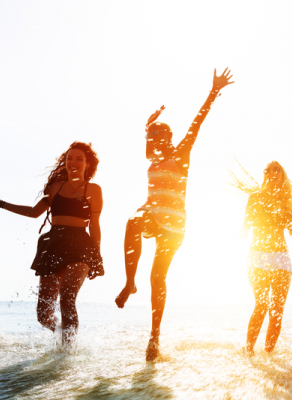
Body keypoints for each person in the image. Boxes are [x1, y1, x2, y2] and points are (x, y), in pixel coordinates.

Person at [115, 68, 234, 361]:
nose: (157, 142)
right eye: (153, 139)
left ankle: (154, 337)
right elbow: (148, 146)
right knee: (132, 221)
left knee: (158, 277)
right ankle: (130, 282)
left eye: (161, 137)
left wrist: (213, 92)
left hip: (175, 226)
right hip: (153, 215)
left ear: (170, 138)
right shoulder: (153, 157)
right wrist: (148, 125)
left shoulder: (180, 153)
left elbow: (197, 122)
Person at [0, 142, 104, 345]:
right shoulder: (55, 187)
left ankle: (68, 351)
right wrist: (1, 204)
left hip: (81, 244)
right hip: (53, 243)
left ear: (88, 163)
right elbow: (33, 212)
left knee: (67, 297)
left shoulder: (93, 189)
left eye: (79, 159)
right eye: (69, 158)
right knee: (43, 314)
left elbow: (95, 225)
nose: (73, 162)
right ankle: (60, 333)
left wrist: (96, 255)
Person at [234, 161, 292, 354]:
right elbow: (244, 227)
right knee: (261, 304)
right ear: (265, 174)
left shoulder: (286, 201)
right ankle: (249, 351)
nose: (273, 172)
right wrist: (242, 231)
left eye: (277, 169)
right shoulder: (254, 198)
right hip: (257, 256)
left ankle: (269, 356)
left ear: (282, 175)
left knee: (276, 311)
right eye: (269, 169)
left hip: (281, 258)